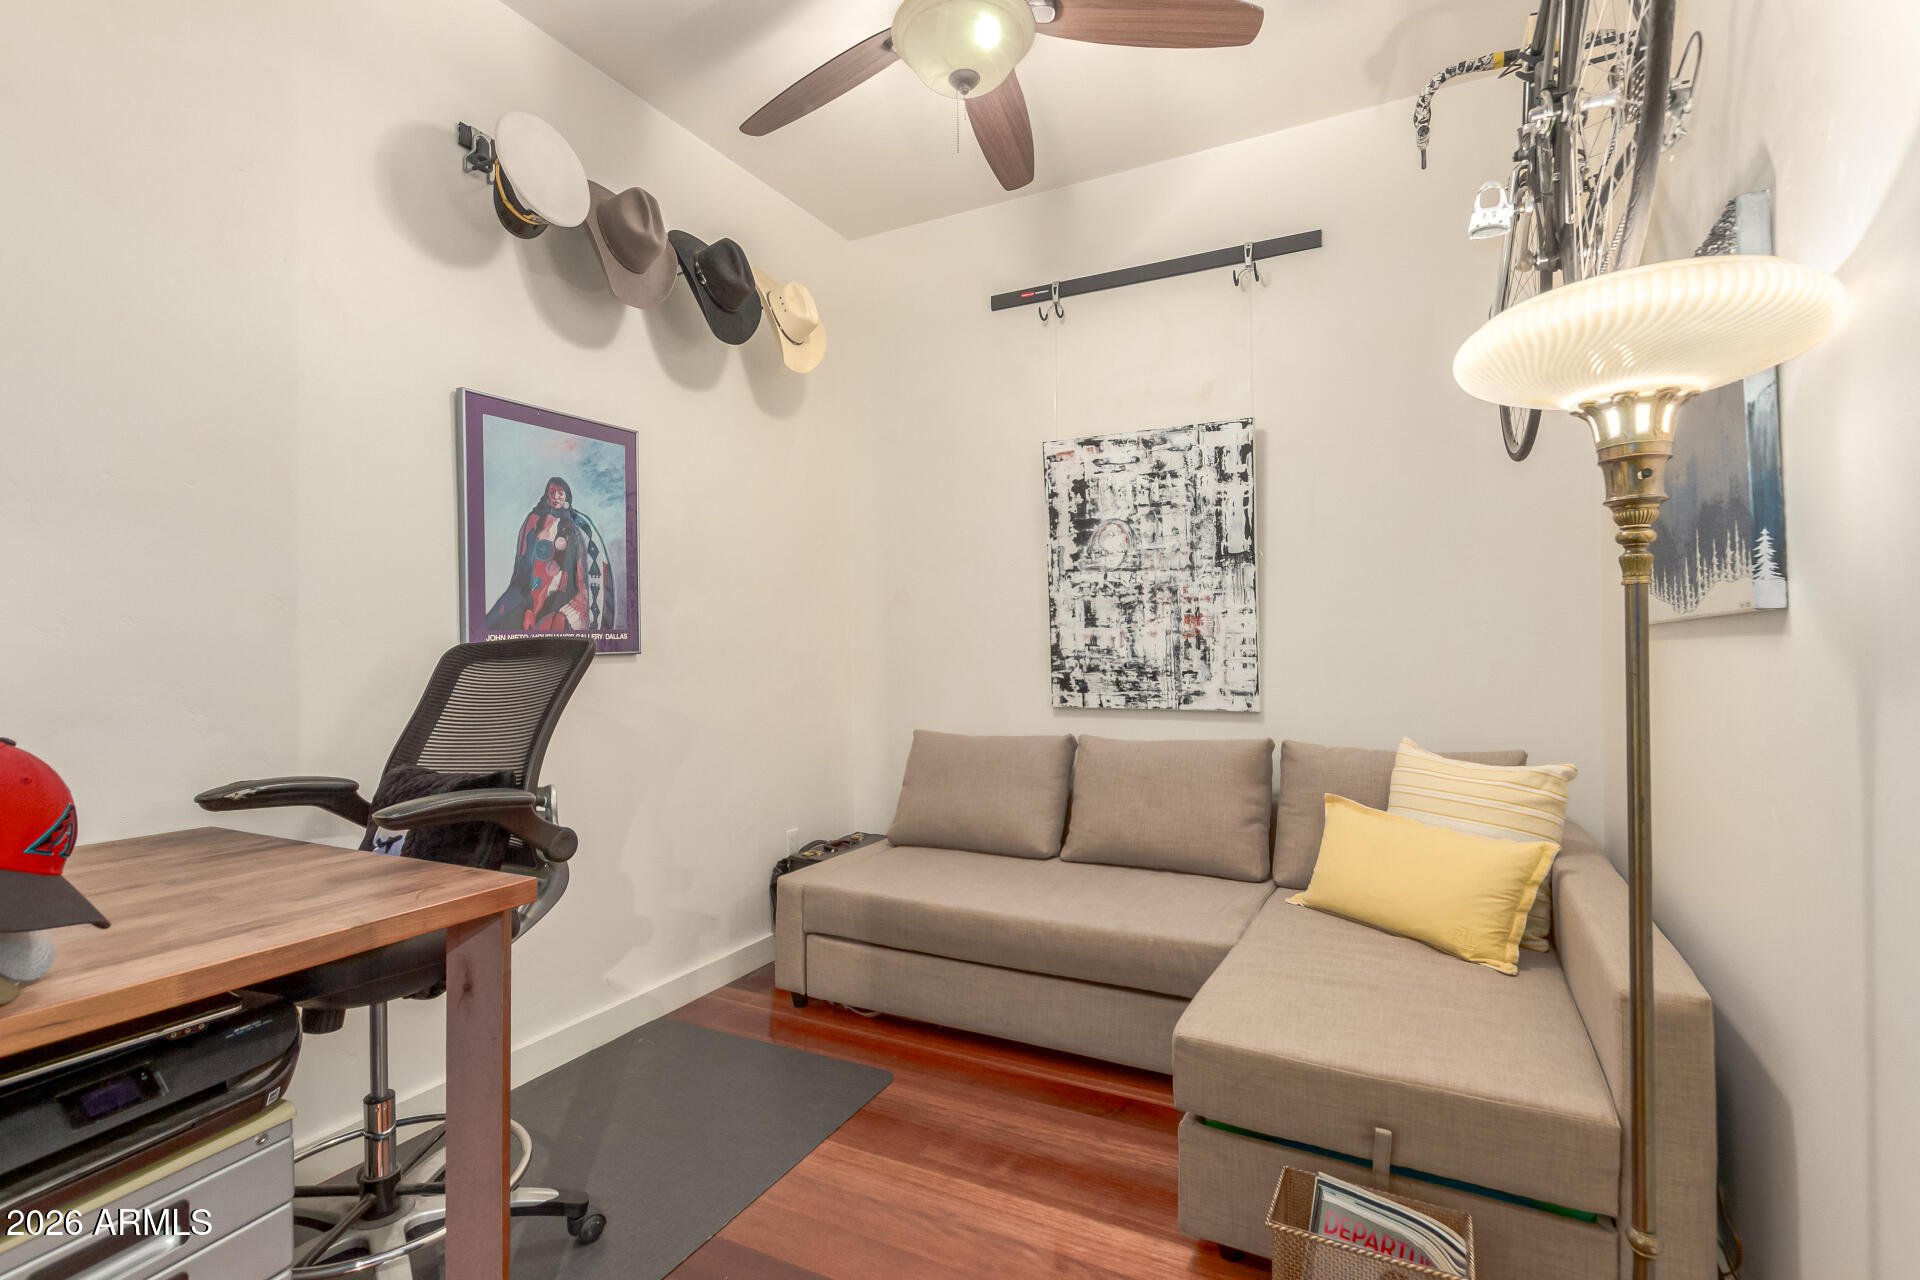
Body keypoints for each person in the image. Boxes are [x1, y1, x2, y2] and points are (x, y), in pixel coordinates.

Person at [486, 476, 590, 633]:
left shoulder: (572, 529)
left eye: (560, 493)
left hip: (556, 591)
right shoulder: (533, 520)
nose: (556, 497)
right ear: (547, 495)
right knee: (498, 620)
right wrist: (528, 606)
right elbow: (522, 565)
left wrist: (580, 595)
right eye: (552, 492)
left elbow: (578, 569)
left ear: (567, 497)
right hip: (526, 588)